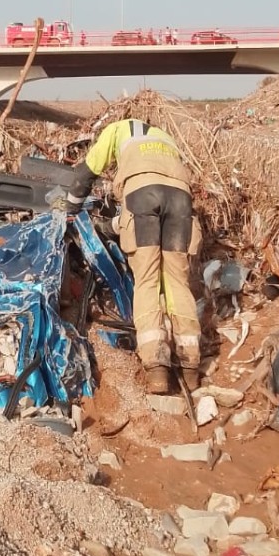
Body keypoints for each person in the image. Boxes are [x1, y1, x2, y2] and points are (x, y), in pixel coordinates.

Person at [66, 118, 201, 395]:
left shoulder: (117, 130)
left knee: (147, 280)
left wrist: (70, 207)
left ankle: (157, 369)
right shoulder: (164, 136)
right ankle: (191, 368)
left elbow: (86, 173)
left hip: (142, 196)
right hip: (181, 201)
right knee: (177, 280)